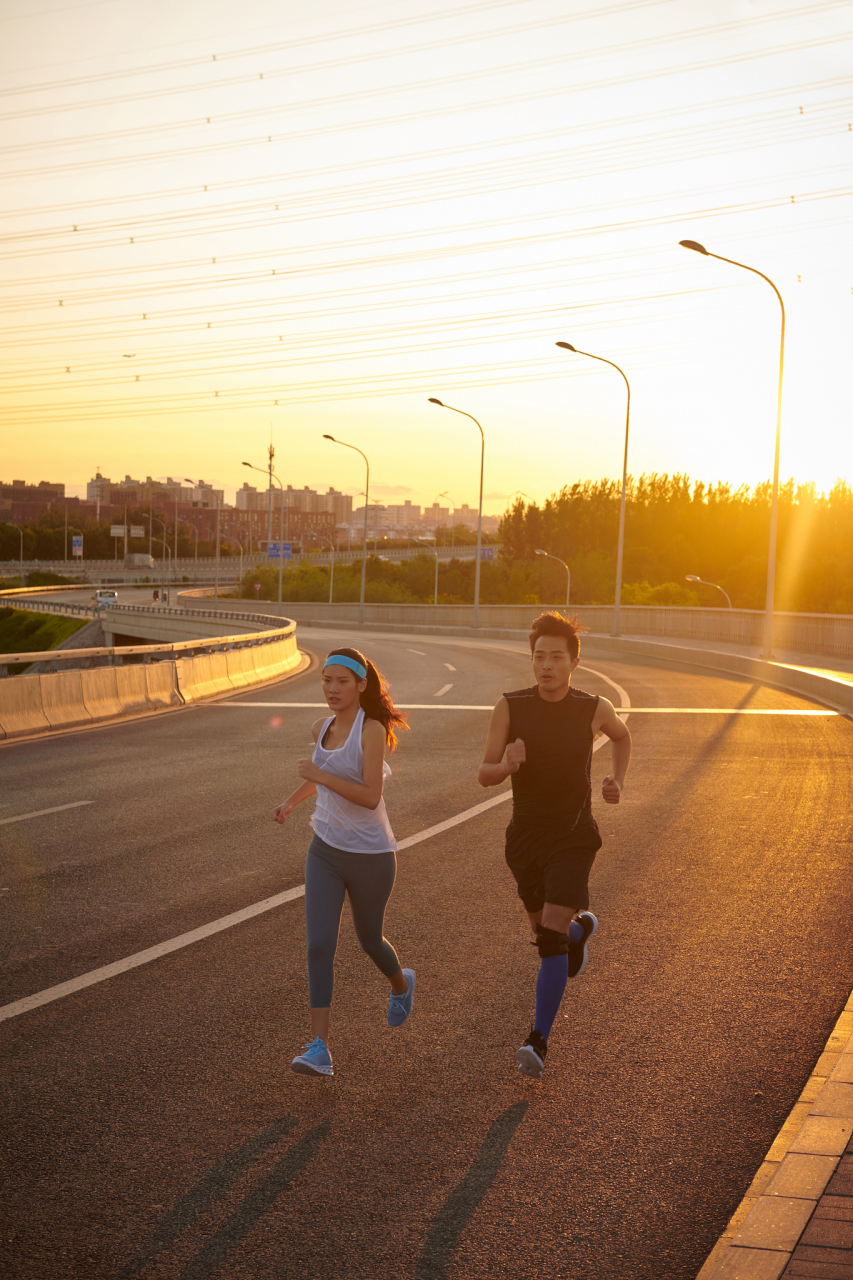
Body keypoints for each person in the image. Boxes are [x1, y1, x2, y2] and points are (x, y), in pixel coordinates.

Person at [478, 611, 631, 1080]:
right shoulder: (510, 707)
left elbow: (622, 737)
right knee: (547, 933)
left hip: (573, 835)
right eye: (539, 657)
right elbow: (485, 774)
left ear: (574, 662)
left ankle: (538, 1039)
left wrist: (616, 783)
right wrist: (506, 765)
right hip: (524, 838)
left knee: (548, 936)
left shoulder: (594, 708)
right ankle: (579, 933)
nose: (546, 666)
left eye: (556, 658)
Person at [273, 646, 415, 1077]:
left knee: (370, 941)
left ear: (360, 686)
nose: (332, 689)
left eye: (341, 682)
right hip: (326, 851)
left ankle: (401, 984)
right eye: (326, 681)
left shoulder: (371, 730)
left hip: (372, 855)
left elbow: (370, 795)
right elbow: (325, 778)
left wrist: (315, 776)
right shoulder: (322, 727)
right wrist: (293, 802)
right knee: (319, 944)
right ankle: (320, 1046)